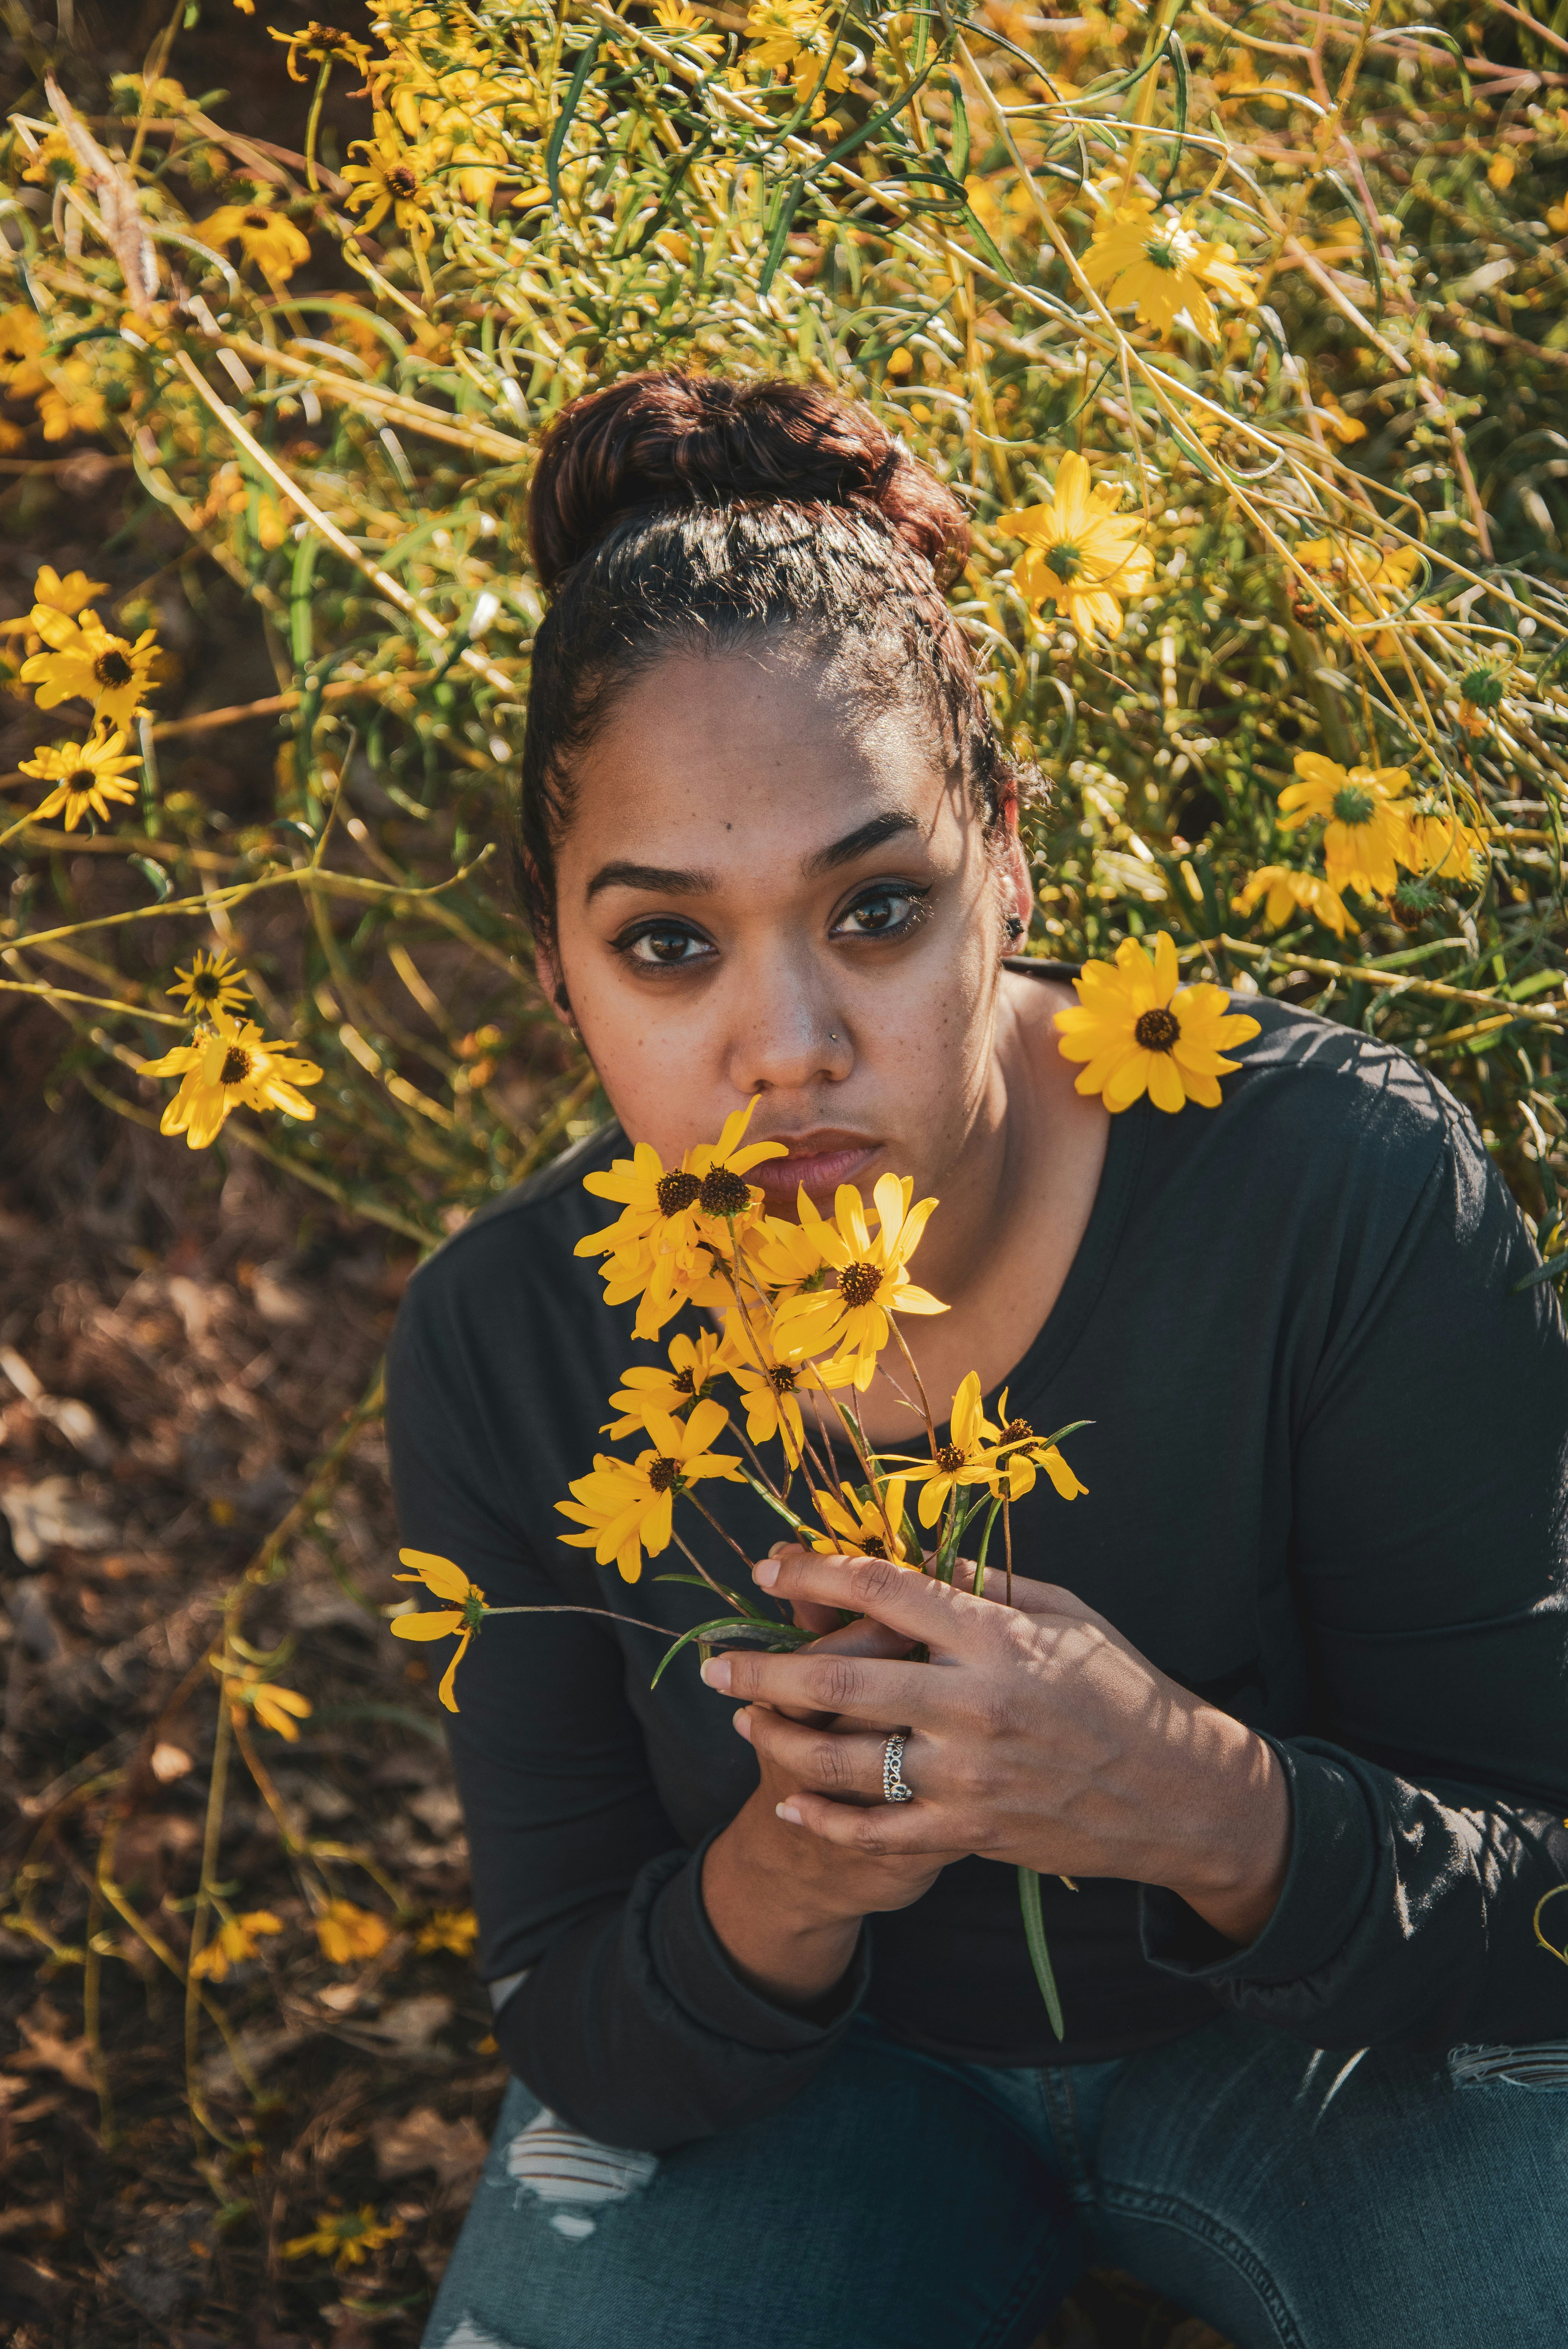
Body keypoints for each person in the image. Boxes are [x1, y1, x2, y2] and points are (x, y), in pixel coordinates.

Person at [387, 371, 1568, 2349]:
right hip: (824, 2105)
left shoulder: (1323, 1179)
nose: (784, 1045)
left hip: (1352, 2072)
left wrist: (1199, 1799)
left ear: (1005, 858)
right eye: (665, 945)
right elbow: (575, 2010)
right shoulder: (511, 1337)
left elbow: (1544, 1894)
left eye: (874, 908)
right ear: (550, 957)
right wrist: (783, 1871)